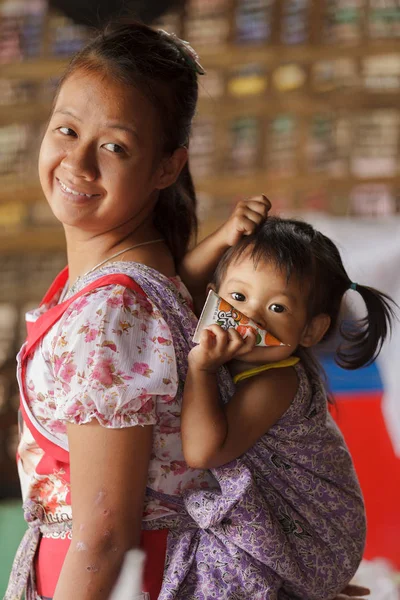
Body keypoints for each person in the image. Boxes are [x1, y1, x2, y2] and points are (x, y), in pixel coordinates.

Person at [5, 20, 371, 600]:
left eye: (115, 145)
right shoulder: (144, 288)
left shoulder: (112, 313)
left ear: (167, 168)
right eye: (66, 129)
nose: (78, 161)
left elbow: (102, 535)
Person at [181, 216, 396, 598]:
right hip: (323, 542)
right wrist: (223, 235)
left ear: (311, 331)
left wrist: (201, 369)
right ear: (212, 299)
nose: (251, 318)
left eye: (277, 308)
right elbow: (181, 281)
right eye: (239, 298)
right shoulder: (245, 355)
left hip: (317, 540)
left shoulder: (275, 381)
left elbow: (202, 452)